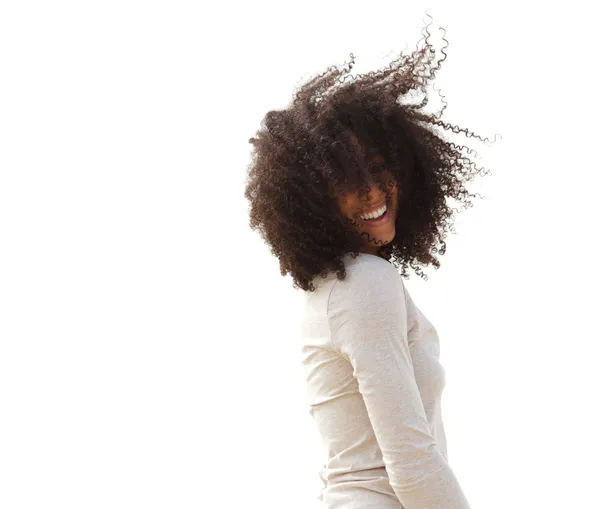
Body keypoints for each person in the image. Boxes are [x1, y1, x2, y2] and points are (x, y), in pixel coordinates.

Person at [244, 16, 497, 509]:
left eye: (380, 172)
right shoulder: (364, 284)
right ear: (310, 200)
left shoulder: (332, 289)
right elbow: (411, 461)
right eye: (347, 183)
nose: (373, 193)